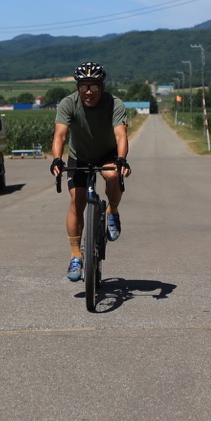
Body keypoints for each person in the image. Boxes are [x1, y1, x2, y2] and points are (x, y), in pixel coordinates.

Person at [49, 62, 131, 282]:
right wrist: (57, 158)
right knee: (77, 199)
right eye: (84, 86)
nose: (88, 92)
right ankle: (76, 255)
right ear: (78, 88)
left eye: (93, 87)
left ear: (101, 88)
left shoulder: (114, 103)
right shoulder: (68, 104)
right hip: (80, 155)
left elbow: (121, 136)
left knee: (113, 175)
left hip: (107, 153)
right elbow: (60, 135)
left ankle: (112, 211)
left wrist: (121, 159)